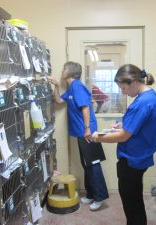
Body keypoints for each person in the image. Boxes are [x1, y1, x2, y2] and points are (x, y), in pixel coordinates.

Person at [92, 64, 156, 225]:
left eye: (123, 88)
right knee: (135, 201)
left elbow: (123, 137)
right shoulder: (149, 97)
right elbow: (138, 126)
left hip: (133, 160)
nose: (123, 92)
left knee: (132, 205)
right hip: (139, 157)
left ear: (133, 82)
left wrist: (98, 137)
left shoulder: (142, 103)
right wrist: (124, 125)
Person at [47, 61, 109, 211]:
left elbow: (85, 108)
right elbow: (59, 101)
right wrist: (56, 86)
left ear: (70, 72)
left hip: (88, 132)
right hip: (82, 133)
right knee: (87, 164)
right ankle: (91, 194)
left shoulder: (77, 86)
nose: (62, 71)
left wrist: (87, 129)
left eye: (64, 68)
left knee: (93, 164)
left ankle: (99, 197)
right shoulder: (71, 88)